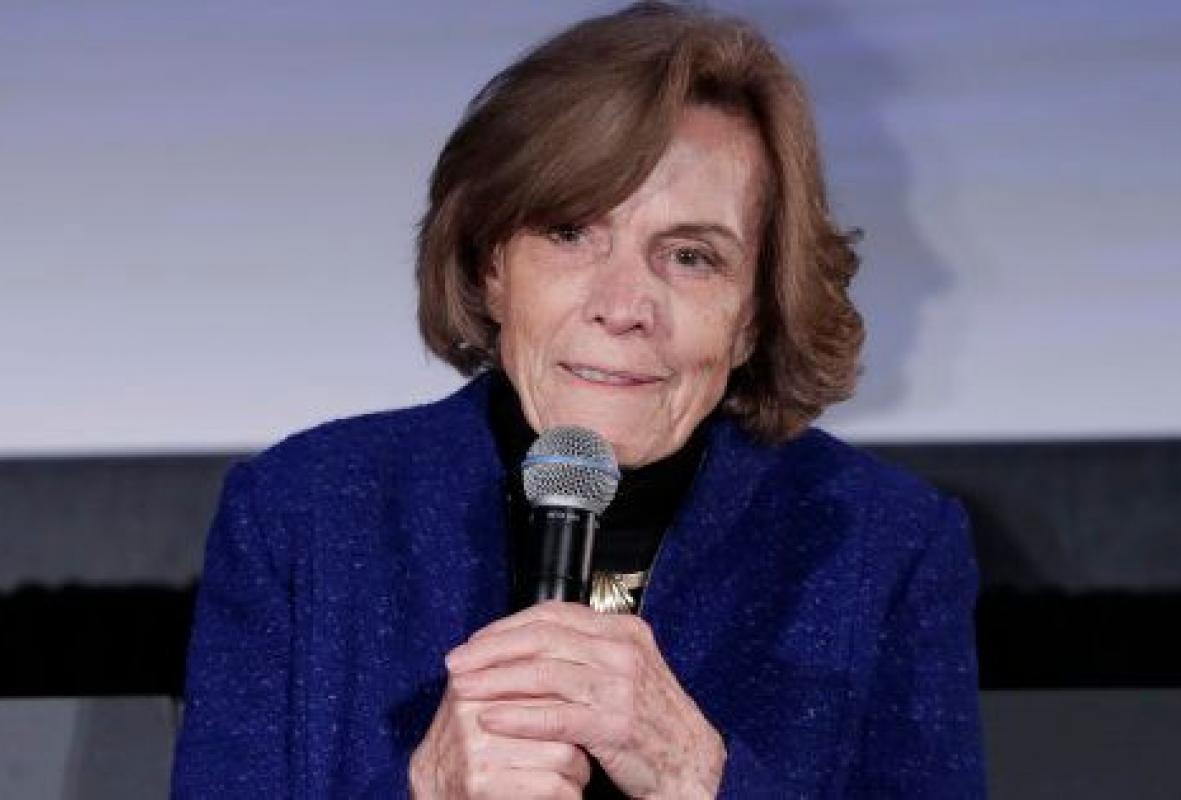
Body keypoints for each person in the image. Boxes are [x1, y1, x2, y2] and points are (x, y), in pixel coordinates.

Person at [172, 3, 985, 797]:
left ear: (755, 314)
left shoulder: (886, 548)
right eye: (570, 234)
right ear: (492, 267)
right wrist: (425, 789)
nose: (623, 305)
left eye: (692, 256)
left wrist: (697, 778)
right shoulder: (301, 514)